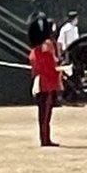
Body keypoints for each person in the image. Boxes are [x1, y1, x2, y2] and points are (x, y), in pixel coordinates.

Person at [28, 13, 61, 147]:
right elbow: (49, 68)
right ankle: (45, 139)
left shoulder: (36, 51)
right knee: (45, 113)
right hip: (45, 83)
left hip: (45, 82)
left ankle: (45, 137)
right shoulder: (42, 51)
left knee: (45, 113)